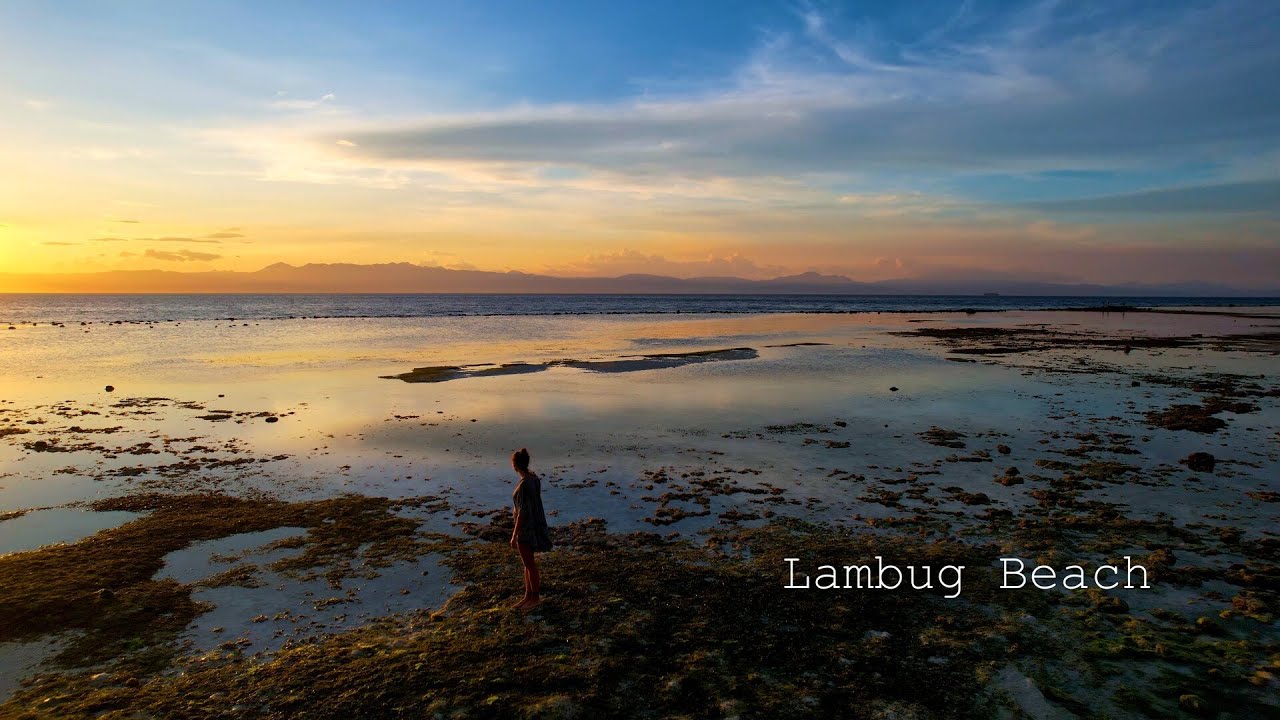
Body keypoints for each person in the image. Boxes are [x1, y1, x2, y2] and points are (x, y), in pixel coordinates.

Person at [509, 447, 552, 610]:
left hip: (526, 530)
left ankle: (535, 598)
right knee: (527, 564)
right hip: (535, 526)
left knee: (530, 565)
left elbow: (523, 512)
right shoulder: (534, 479)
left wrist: (514, 535)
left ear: (515, 465)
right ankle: (528, 596)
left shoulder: (525, 484)